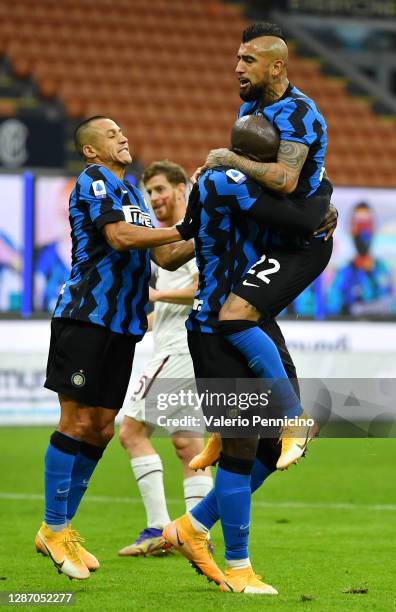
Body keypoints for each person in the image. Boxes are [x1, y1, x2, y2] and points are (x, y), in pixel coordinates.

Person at [164, 114, 335, 595]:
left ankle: (194, 527)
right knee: (242, 450)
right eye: (274, 160)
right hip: (216, 329)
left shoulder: (216, 181)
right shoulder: (226, 179)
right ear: (257, 159)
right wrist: (320, 203)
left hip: (252, 317)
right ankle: (238, 569)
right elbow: (295, 216)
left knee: (271, 441)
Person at [34, 116, 193, 580]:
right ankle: (55, 526)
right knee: (76, 421)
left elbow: (163, 255)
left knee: (103, 428)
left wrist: (204, 231)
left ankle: (59, 528)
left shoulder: (136, 197)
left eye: (123, 132)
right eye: (111, 134)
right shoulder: (94, 181)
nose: (122, 137)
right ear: (90, 150)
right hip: (86, 317)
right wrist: (185, 229)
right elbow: (120, 239)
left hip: (122, 327)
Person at [189, 22, 335, 470]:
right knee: (230, 319)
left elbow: (287, 180)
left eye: (247, 60)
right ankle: (227, 429)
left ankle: (293, 419)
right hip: (272, 237)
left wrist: (228, 161)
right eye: (237, 58)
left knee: (235, 314)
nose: (237, 68)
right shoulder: (252, 105)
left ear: (276, 67)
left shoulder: (299, 113)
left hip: (302, 241)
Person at [118, 161, 212, 557]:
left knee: (131, 432)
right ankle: (196, 533)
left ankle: (157, 527)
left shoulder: (192, 234)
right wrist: (147, 318)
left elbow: (201, 287)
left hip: (180, 351)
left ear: (179, 189)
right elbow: (177, 301)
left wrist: (156, 298)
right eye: (149, 192)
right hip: (181, 345)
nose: (155, 198)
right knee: (189, 445)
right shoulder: (169, 241)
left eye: (160, 189)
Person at [327, 201, 393, 316]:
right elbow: (333, 309)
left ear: (373, 228)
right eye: (358, 224)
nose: (363, 231)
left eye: (367, 224)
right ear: (351, 229)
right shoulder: (342, 275)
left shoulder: (384, 271)